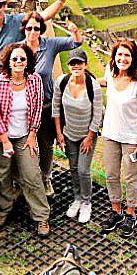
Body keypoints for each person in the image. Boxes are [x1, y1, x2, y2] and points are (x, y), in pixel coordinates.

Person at [0, 43, 50, 236]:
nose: (19, 62)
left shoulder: (34, 81)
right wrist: (4, 140)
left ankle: (41, 216)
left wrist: (32, 135)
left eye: (22, 59)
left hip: (25, 136)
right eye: (15, 59)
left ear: (28, 61)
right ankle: (4, 209)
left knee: (31, 174)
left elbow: (38, 109)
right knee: (1, 174)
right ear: (8, 61)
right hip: (2, 135)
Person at [0, 0, 70, 101]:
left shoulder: (17, 22)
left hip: (14, 88)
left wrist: (60, 2)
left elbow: (43, 16)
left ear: (4, 6)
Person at [24, 12, 83, 194]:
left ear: (41, 30)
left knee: (46, 144)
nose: (33, 32)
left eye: (36, 28)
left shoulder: (49, 45)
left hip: (46, 104)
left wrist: (74, 31)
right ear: (24, 30)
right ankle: (26, 179)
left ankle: (45, 178)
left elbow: (75, 42)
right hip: (24, 107)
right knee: (25, 145)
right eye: (29, 28)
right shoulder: (18, 50)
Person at [98, 39, 137, 238]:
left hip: (131, 138)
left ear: (133, 58)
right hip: (110, 134)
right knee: (111, 175)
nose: (122, 58)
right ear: (114, 57)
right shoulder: (110, 73)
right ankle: (116, 210)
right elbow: (104, 83)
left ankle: (130, 213)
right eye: (119, 55)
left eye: (127, 55)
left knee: (131, 176)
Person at [53, 48, 103, 224]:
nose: (76, 66)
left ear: (85, 65)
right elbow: (56, 108)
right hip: (68, 133)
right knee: (73, 168)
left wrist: (90, 136)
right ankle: (77, 199)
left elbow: (97, 114)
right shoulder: (62, 82)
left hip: (86, 135)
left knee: (83, 169)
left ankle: (87, 202)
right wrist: (59, 133)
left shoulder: (93, 85)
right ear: (68, 66)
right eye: (73, 63)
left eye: (79, 63)